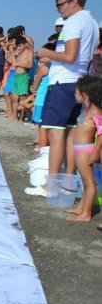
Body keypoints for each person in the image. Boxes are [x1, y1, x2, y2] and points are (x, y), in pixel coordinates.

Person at [27, 0, 99, 197]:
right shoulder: (92, 22)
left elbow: (69, 56)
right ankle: (67, 181)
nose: (58, 9)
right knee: (68, 133)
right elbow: (82, 55)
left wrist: (43, 53)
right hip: (78, 81)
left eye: (60, 5)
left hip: (63, 82)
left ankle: (51, 186)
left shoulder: (74, 22)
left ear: (73, 2)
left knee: (54, 131)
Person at [65, 75, 102, 222]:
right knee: (85, 181)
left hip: (86, 151)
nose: (75, 94)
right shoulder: (87, 109)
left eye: (77, 92)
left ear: (85, 94)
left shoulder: (96, 112)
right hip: (80, 149)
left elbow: (101, 134)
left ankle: (86, 214)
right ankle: (81, 207)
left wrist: (94, 153)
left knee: (89, 182)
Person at [8, 37, 33, 122]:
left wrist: (18, 63)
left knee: (22, 99)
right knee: (14, 98)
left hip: (23, 76)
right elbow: (13, 62)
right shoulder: (18, 52)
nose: (19, 48)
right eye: (18, 46)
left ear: (25, 45)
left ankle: (22, 118)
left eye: (20, 46)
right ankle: (15, 116)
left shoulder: (29, 52)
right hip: (16, 76)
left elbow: (30, 65)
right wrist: (13, 55)